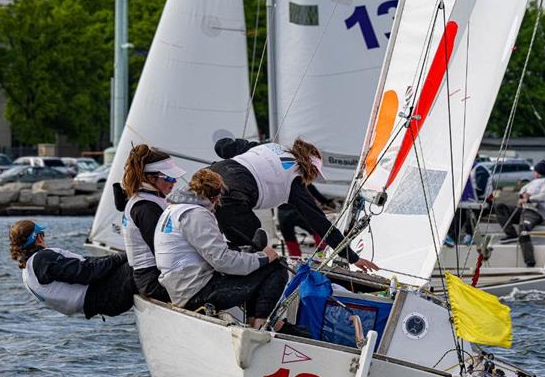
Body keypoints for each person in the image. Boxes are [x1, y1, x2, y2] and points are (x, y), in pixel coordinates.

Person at [210, 137, 378, 272]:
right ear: (310, 169)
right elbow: (320, 222)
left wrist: (224, 145)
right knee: (261, 255)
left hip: (208, 176)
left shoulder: (267, 146)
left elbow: (225, 147)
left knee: (221, 234)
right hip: (232, 195)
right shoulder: (295, 181)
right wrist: (352, 257)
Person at [155, 169, 287, 328]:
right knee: (276, 267)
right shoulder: (196, 214)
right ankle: (258, 324)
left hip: (180, 289)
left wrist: (250, 256)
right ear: (214, 197)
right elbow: (223, 262)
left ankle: (254, 321)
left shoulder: (174, 208)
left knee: (254, 268)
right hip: (196, 293)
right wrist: (264, 257)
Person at [9, 220, 135, 319]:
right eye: (43, 234)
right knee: (140, 261)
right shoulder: (43, 259)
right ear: (39, 238)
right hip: (105, 297)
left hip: (98, 304)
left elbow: (88, 264)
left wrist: (118, 257)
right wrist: (124, 256)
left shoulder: (27, 272)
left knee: (133, 260)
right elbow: (88, 273)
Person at [120, 144, 186, 302]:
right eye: (169, 178)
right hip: (152, 281)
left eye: (174, 177)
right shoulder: (146, 208)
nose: (175, 181)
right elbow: (163, 250)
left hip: (155, 276)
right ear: (150, 178)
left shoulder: (149, 199)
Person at [494, 160, 545, 267]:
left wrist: (528, 198)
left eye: (535, 171)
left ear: (538, 172)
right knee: (500, 208)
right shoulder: (534, 181)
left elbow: (543, 197)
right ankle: (511, 234)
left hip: (535, 212)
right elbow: (522, 191)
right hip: (523, 209)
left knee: (523, 228)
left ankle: (530, 262)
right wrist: (524, 195)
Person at [446, 161, 493, 246]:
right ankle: (452, 237)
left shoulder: (479, 169)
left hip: (485, 201)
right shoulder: (466, 170)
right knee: (459, 210)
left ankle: (469, 235)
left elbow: (480, 190)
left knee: (469, 210)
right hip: (472, 201)